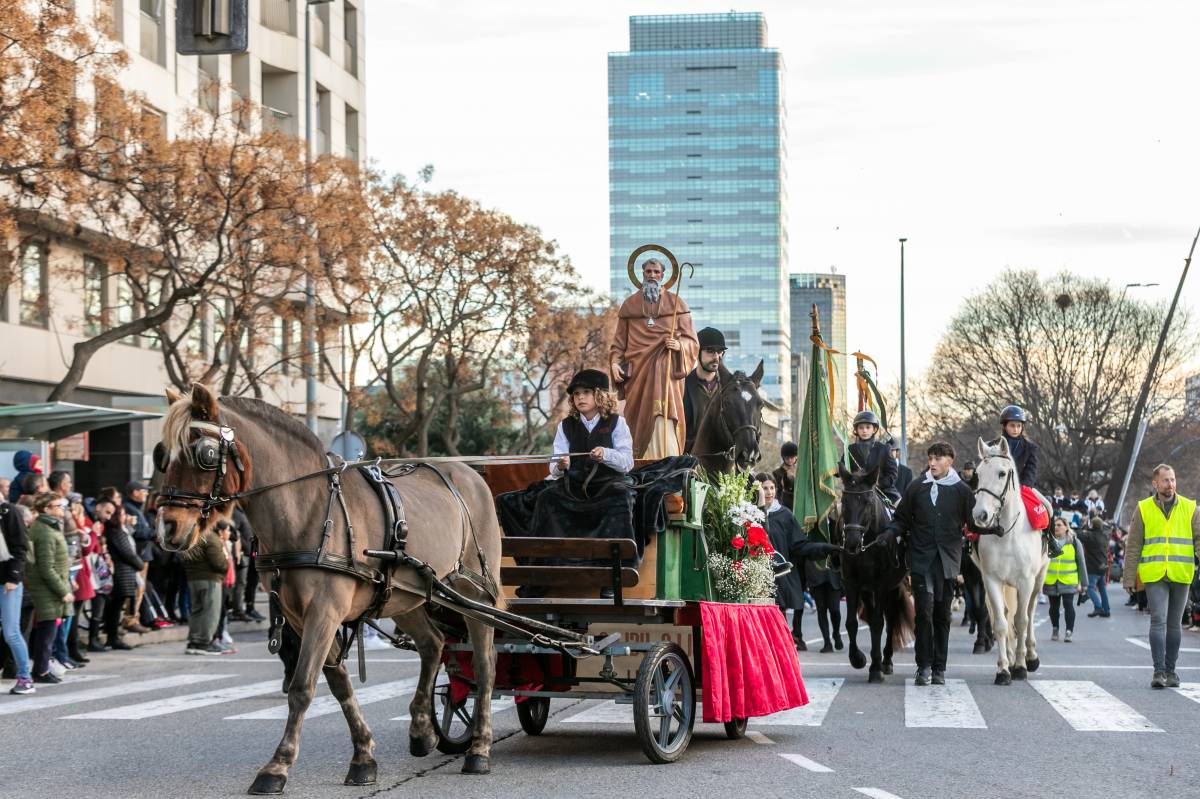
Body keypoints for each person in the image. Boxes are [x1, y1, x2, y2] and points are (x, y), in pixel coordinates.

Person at [884, 441, 977, 686]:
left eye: (938, 459)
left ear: (950, 462)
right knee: (924, 613)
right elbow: (901, 518)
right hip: (922, 559)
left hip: (947, 561)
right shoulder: (917, 487)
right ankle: (923, 666)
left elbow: (974, 523)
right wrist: (890, 532)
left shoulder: (962, 491)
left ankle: (939, 669)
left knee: (942, 616)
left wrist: (992, 529)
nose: (932, 463)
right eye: (930, 458)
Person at [609, 256, 700, 458]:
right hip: (638, 377)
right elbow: (618, 345)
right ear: (642, 275)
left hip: (667, 378)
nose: (652, 275)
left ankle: (667, 460)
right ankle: (638, 461)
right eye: (648, 272)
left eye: (656, 272)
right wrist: (615, 363)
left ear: (663, 276)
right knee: (637, 421)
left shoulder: (677, 305)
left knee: (665, 419)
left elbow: (692, 342)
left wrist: (679, 346)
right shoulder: (629, 306)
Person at [1121, 464, 1200, 689]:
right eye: (1165, 480)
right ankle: (1159, 671)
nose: (1170, 484)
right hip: (1155, 574)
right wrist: (1129, 578)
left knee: (1174, 623)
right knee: (1158, 620)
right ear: (1155, 483)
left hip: (1181, 573)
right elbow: (1133, 545)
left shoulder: (1190, 507)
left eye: (1173, 479)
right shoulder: (1143, 508)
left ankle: (1171, 671)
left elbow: (1199, 539)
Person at [756, 473, 839, 650]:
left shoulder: (785, 515)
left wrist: (825, 548)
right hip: (756, 583)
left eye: (772, 488)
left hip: (780, 583)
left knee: (778, 636)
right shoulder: (750, 513)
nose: (769, 492)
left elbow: (800, 546)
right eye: (765, 488)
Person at [989, 405, 1059, 557]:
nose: (1015, 429)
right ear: (1004, 426)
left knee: (1048, 507)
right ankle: (969, 540)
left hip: (1023, 486)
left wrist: (1024, 485)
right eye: (1012, 425)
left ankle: (1051, 541)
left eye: (1019, 426)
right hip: (997, 488)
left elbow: (1032, 469)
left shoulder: (1030, 447)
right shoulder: (992, 445)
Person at [25, 492, 73, 684]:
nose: (62, 509)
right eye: (58, 506)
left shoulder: (48, 526)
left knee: (48, 630)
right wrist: (63, 590)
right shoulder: (44, 531)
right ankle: (41, 671)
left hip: (51, 585)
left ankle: (41, 668)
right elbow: (45, 567)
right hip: (47, 588)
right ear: (46, 509)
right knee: (47, 631)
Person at [182, 518, 230, 655]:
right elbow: (219, 562)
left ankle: (194, 641)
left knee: (197, 611)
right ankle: (204, 642)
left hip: (193, 578)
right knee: (210, 612)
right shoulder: (211, 537)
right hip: (210, 579)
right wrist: (226, 566)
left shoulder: (192, 536)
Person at [1, 497, 34, 694]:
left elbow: (20, 546)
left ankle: (25, 678)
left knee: (11, 632)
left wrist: (13, 577)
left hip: (7, 581)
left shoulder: (8, 511)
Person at [103, 501, 146, 649]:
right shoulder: (115, 532)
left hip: (126, 572)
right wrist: (140, 565)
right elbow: (128, 552)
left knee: (117, 607)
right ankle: (112, 638)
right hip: (121, 573)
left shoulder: (121, 530)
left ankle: (113, 637)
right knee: (115, 608)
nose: (125, 516)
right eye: (122, 514)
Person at [683, 327, 727, 454]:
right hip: (688, 461)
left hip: (723, 464)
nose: (717, 357)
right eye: (710, 351)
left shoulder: (728, 388)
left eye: (720, 352)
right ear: (697, 352)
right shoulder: (682, 386)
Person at [1043, 517, 1088, 642]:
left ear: (1066, 527)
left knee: (1068, 605)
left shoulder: (1074, 542)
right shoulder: (1047, 542)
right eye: (1055, 525)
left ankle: (1069, 631)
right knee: (1053, 607)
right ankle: (1055, 629)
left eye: (1059, 525)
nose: (1056, 527)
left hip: (1068, 580)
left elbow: (1081, 562)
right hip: (1051, 580)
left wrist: (1084, 583)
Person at [842, 410, 899, 505]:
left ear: (874, 429)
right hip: (857, 493)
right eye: (861, 428)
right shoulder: (849, 449)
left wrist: (878, 483)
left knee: (902, 512)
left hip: (883, 492)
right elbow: (843, 470)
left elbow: (892, 474)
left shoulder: (884, 449)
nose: (864, 430)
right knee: (836, 514)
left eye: (868, 427)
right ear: (856, 430)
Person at [1077, 516, 1111, 618]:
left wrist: (1083, 525)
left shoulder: (1090, 536)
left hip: (1093, 567)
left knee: (1090, 588)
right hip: (1103, 566)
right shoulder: (1105, 536)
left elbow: (1078, 534)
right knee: (1102, 589)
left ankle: (1098, 607)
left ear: (1092, 525)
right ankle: (1106, 610)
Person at [773, 442, 798, 513]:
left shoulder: (801, 471)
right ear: (783, 458)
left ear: (796, 457)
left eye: (792, 457)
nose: (790, 460)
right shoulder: (777, 473)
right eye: (787, 458)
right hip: (785, 504)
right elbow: (778, 493)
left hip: (800, 502)